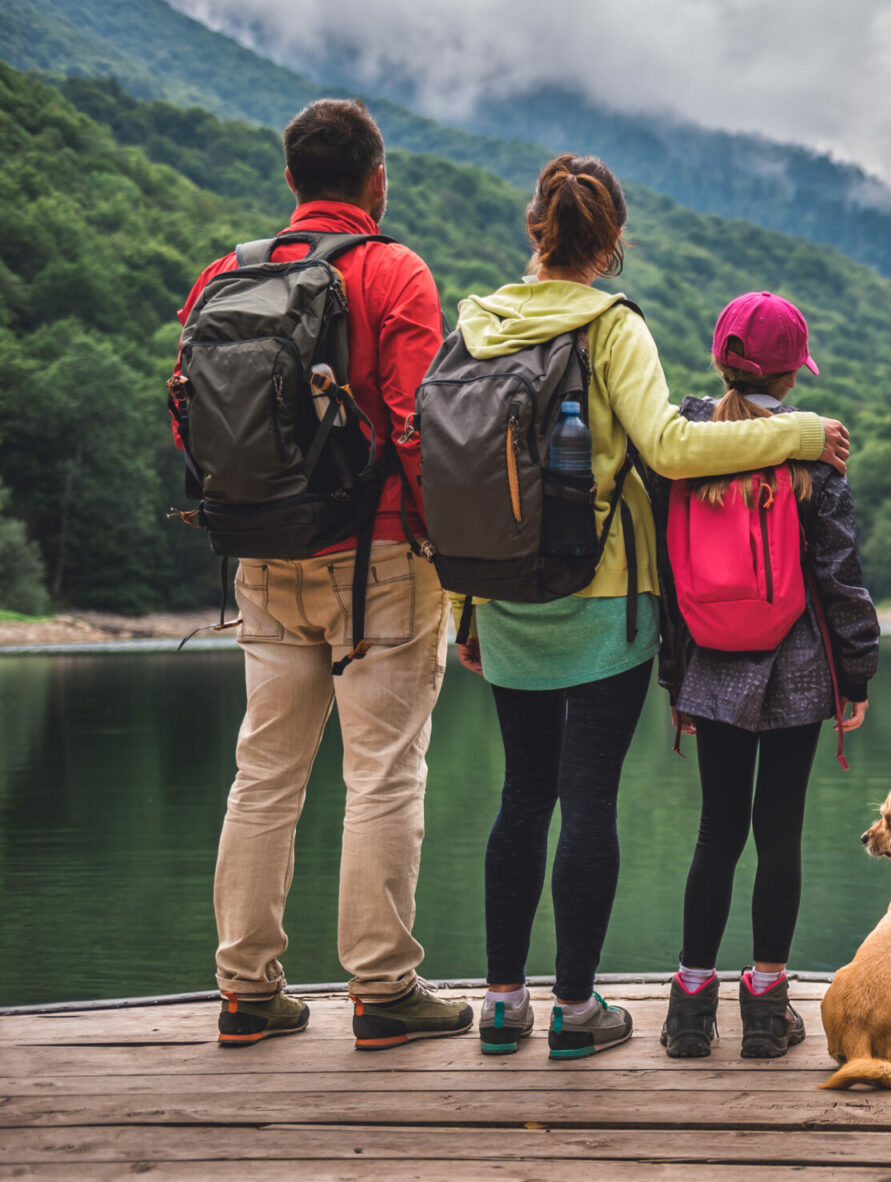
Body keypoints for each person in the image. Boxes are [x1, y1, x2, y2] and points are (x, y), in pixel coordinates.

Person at [460, 157, 853, 1060]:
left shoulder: (478, 323)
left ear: (534, 230)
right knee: (587, 795)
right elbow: (671, 449)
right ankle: (573, 1012)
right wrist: (800, 434)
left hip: (501, 598)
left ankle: (502, 1005)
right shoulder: (611, 325)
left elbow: (459, 469)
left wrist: (462, 609)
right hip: (602, 601)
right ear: (613, 242)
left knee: (521, 796)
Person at [177, 98, 472, 1050]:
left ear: (293, 181)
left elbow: (189, 417)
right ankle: (383, 992)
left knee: (263, 775)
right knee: (382, 774)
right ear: (376, 181)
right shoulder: (394, 270)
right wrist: (448, 551)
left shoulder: (225, 276)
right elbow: (417, 427)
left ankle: (246, 992)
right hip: (380, 555)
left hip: (262, 556)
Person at [661, 292, 880, 1061]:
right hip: (794, 667)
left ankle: (689, 1010)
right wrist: (856, 675)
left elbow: (669, 576)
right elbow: (839, 576)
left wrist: (674, 680)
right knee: (777, 833)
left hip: (712, 664)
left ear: (721, 357)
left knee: (716, 831)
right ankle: (765, 1009)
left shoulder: (684, 444)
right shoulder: (814, 452)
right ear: (792, 375)